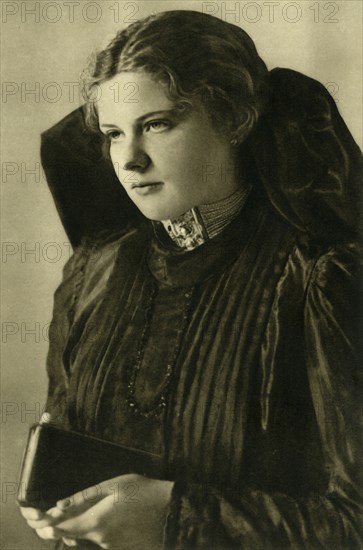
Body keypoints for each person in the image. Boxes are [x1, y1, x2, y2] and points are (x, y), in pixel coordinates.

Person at [20, 10, 362, 550]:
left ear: (233, 119)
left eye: (157, 124)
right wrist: (59, 510)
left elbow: (355, 522)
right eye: (113, 134)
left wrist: (174, 518)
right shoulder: (93, 271)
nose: (130, 160)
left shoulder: (319, 277)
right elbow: (65, 454)